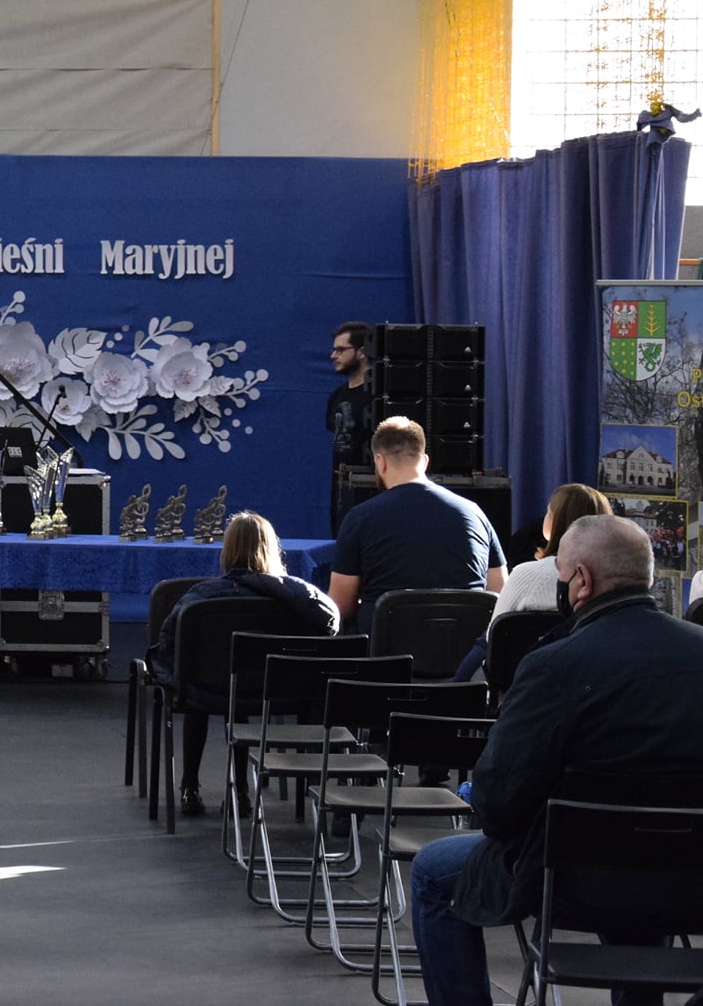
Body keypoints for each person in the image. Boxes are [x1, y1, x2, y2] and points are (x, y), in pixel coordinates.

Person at [409, 515, 703, 1006]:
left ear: (582, 580)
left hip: (570, 879)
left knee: (433, 872)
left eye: (562, 575)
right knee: (649, 864)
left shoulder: (554, 665)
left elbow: (497, 803)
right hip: (689, 880)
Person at [146, 512, 339, 817]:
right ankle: (241, 791)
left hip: (208, 691)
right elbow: (329, 625)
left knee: (196, 679)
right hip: (276, 693)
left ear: (228, 550)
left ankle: (189, 787)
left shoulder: (200, 597)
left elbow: (169, 642)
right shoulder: (296, 598)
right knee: (235, 689)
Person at [328, 417, 505, 633]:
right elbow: (500, 590)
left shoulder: (359, 518)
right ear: (425, 461)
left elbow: (340, 606)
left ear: (380, 461)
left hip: (385, 648)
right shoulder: (475, 514)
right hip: (465, 648)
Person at [450, 482, 610, 681]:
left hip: (520, 685)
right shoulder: (612, 579)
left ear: (555, 521)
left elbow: (493, 638)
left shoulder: (527, 574)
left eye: (548, 512)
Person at [327, 321, 373, 537]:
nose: (333, 356)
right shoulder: (336, 396)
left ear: (361, 352)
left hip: (371, 484)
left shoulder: (378, 395)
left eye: (340, 350)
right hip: (341, 486)